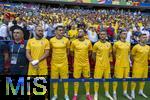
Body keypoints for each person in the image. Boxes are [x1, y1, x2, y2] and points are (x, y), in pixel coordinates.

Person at [71, 29, 93, 100]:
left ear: (84, 33)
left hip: (86, 64)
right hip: (77, 64)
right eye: (78, 31)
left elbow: (90, 52)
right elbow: (72, 53)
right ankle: (75, 95)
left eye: (81, 31)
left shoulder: (88, 42)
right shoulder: (74, 42)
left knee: (87, 78)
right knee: (76, 79)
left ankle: (88, 94)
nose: (79, 33)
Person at [50, 25, 70, 100]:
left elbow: (67, 51)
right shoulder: (51, 40)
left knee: (65, 79)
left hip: (64, 63)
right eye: (60, 30)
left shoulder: (66, 40)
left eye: (62, 30)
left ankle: (66, 94)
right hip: (54, 63)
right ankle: (55, 95)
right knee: (54, 79)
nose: (61, 32)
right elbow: (51, 51)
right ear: (56, 31)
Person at [93, 31, 113, 100]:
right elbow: (93, 55)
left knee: (107, 79)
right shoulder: (96, 44)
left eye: (104, 34)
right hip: (99, 65)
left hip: (107, 65)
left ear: (106, 35)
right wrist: (98, 62)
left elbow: (110, 54)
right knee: (97, 79)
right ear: (99, 35)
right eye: (101, 34)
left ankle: (107, 93)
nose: (102, 35)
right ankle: (96, 93)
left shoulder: (109, 44)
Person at [112, 30, 132, 100]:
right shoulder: (116, 43)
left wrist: (129, 62)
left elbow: (129, 53)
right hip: (119, 64)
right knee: (116, 78)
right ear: (120, 35)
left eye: (126, 34)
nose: (125, 35)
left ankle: (125, 92)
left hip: (126, 64)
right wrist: (118, 60)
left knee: (126, 79)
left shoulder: (128, 43)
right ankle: (114, 92)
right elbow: (114, 53)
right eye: (123, 34)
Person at [131, 34, 150, 99]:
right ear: (139, 38)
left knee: (143, 79)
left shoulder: (148, 47)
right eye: (143, 37)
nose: (145, 39)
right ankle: (132, 91)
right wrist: (135, 63)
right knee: (135, 79)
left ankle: (141, 91)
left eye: (145, 37)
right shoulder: (136, 47)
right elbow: (132, 56)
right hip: (137, 65)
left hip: (145, 66)